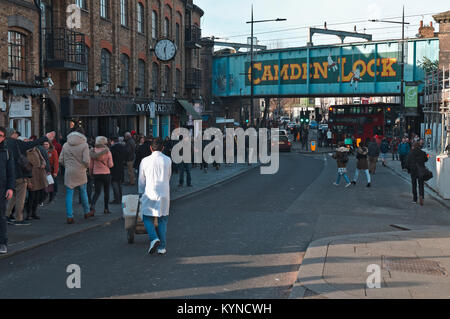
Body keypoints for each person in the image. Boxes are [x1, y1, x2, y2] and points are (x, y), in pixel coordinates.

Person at [5, 128, 54, 226]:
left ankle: (6, 216)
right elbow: (33, 143)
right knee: (20, 197)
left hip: (9, 175)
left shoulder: (4, 144)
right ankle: (18, 218)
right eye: (15, 133)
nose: (17, 135)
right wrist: (46, 137)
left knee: (13, 196)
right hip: (19, 174)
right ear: (11, 134)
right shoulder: (17, 143)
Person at [138, 137, 172, 255]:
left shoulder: (145, 161)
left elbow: (141, 180)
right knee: (163, 219)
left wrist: (141, 193)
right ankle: (162, 247)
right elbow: (168, 176)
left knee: (147, 217)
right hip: (164, 193)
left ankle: (153, 238)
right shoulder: (168, 160)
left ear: (150, 148)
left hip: (150, 192)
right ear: (163, 148)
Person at [59, 129, 92, 224]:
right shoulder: (84, 145)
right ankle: (86, 212)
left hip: (69, 171)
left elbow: (60, 160)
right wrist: (86, 167)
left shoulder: (65, 145)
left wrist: (67, 165)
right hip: (81, 171)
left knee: (69, 194)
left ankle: (70, 216)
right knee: (83, 192)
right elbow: (86, 160)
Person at [89, 136, 114, 215]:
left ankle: (92, 206)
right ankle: (106, 208)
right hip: (106, 173)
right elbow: (110, 165)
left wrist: (91, 173)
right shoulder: (107, 151)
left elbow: (90, 165)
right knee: (106, 192)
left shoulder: (93, 151)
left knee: (97, 192)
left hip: (96, 173)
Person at [0, 127, 15, 254]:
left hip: (2, 188)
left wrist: (10, 188)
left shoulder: (6, 152)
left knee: (1, 217)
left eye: (0, 135)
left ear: (4, 138)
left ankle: (2, 242)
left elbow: (11, 172)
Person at [25, 146, 48, 220]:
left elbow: (43, 160)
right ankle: (28, 214)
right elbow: (25, 168)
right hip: (31, 176)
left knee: (37, 196)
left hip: (39, 175)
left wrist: (43, 164)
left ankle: (34, 212)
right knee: (31, 196)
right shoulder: (25, 153)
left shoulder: (37, 150)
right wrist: (28, 181)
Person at [405, 142, 428, 206]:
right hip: (421, 170)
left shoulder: (411, 153)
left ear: (413, 146)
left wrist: (407, 168)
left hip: (413, 171)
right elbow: (426, 160)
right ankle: (421, 196)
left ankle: (415, 199)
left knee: (414, 184)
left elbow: (407, 162)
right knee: (421, 184)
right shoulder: (423, 153)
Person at [110, 137, 127, 204]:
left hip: (114, 167)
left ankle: (116, 198)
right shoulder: (122, 147)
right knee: (119, 183)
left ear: (112, 141)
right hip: (121, 167)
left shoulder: (113, 148)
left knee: (114, 183)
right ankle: (120, 197)